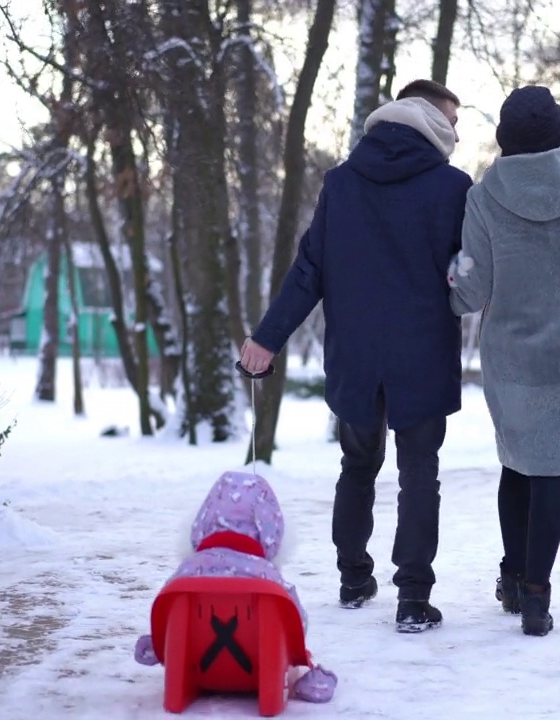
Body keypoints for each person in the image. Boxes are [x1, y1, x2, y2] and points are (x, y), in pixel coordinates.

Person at [238, 79, 472, 634]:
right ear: (429, 117)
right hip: (424, 355)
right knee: (420, 475)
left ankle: (352, 578)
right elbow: (468, 272)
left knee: (357, 466)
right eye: (453, 120)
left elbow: (308, 272)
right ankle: (413, 599)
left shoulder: (341, 184)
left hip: (357, 357)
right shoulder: (453, 187)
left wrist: (266, 338)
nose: (457, 133)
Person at [446, 85, 560, 637]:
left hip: (511, 359)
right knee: (552, 473)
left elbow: (472, 289)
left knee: (516, 464)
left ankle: (514, 578)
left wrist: (451, 285)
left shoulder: (485, 194)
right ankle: (538, 595)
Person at [132, 471, 337, 703]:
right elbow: (297, 627)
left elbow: (165, 617)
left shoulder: (185, 574)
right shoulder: (269, 579)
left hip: (198, 670)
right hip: (258, 673)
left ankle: (177, 696)